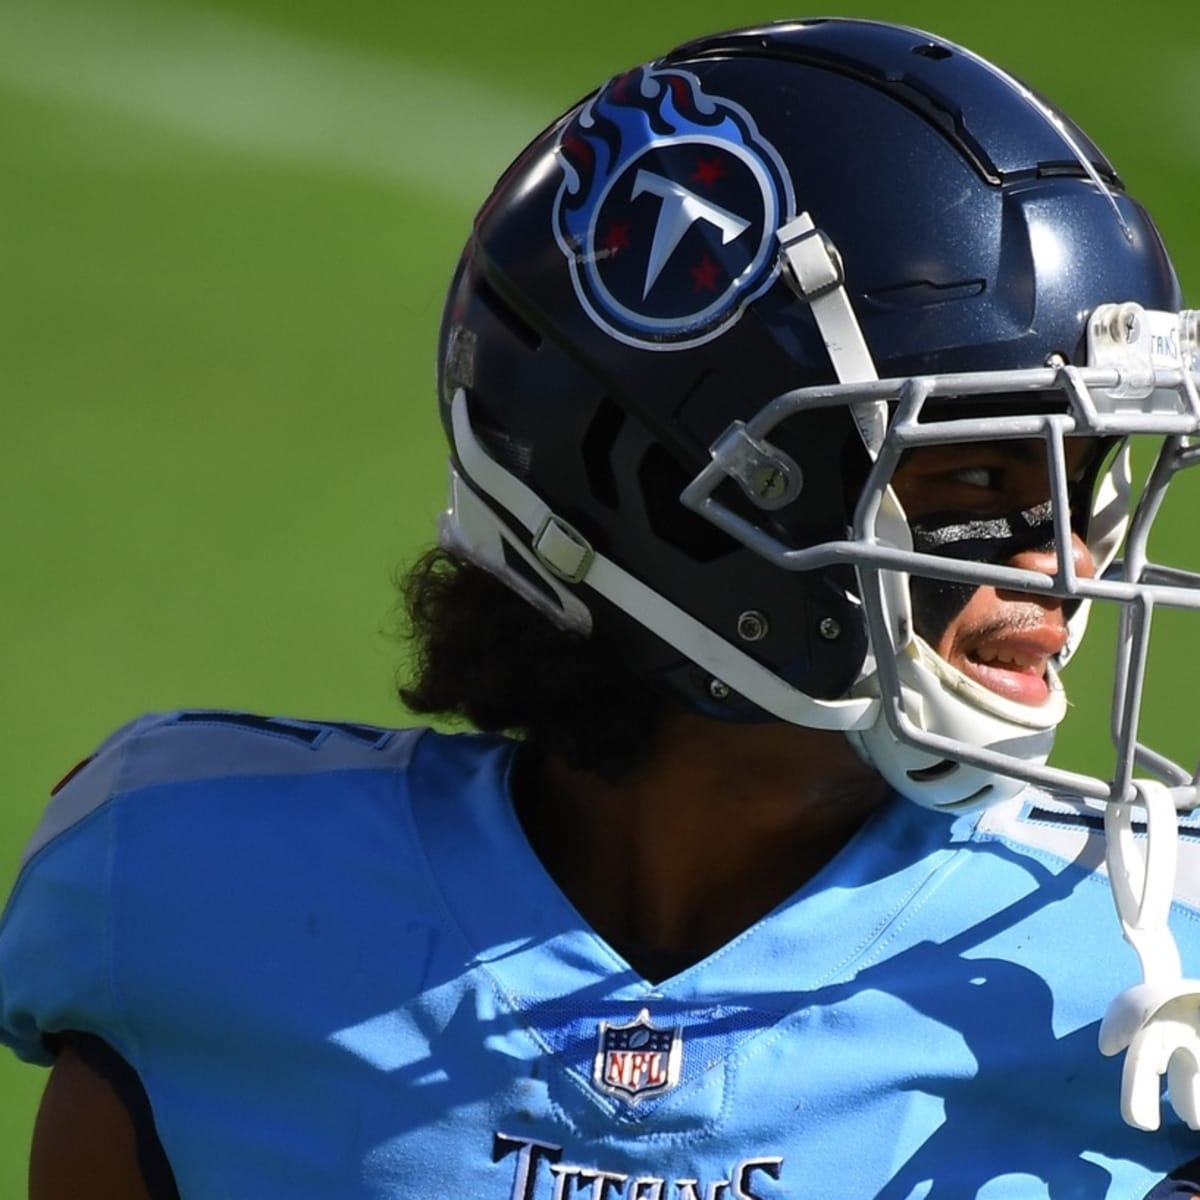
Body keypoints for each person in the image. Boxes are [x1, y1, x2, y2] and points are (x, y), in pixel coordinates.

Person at [3, 15, 1200, 1199]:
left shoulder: (1142, 977)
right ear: (666, 487)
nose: (1068, 565)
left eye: (1082, 484)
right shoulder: (200, 896)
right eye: (980, 479)